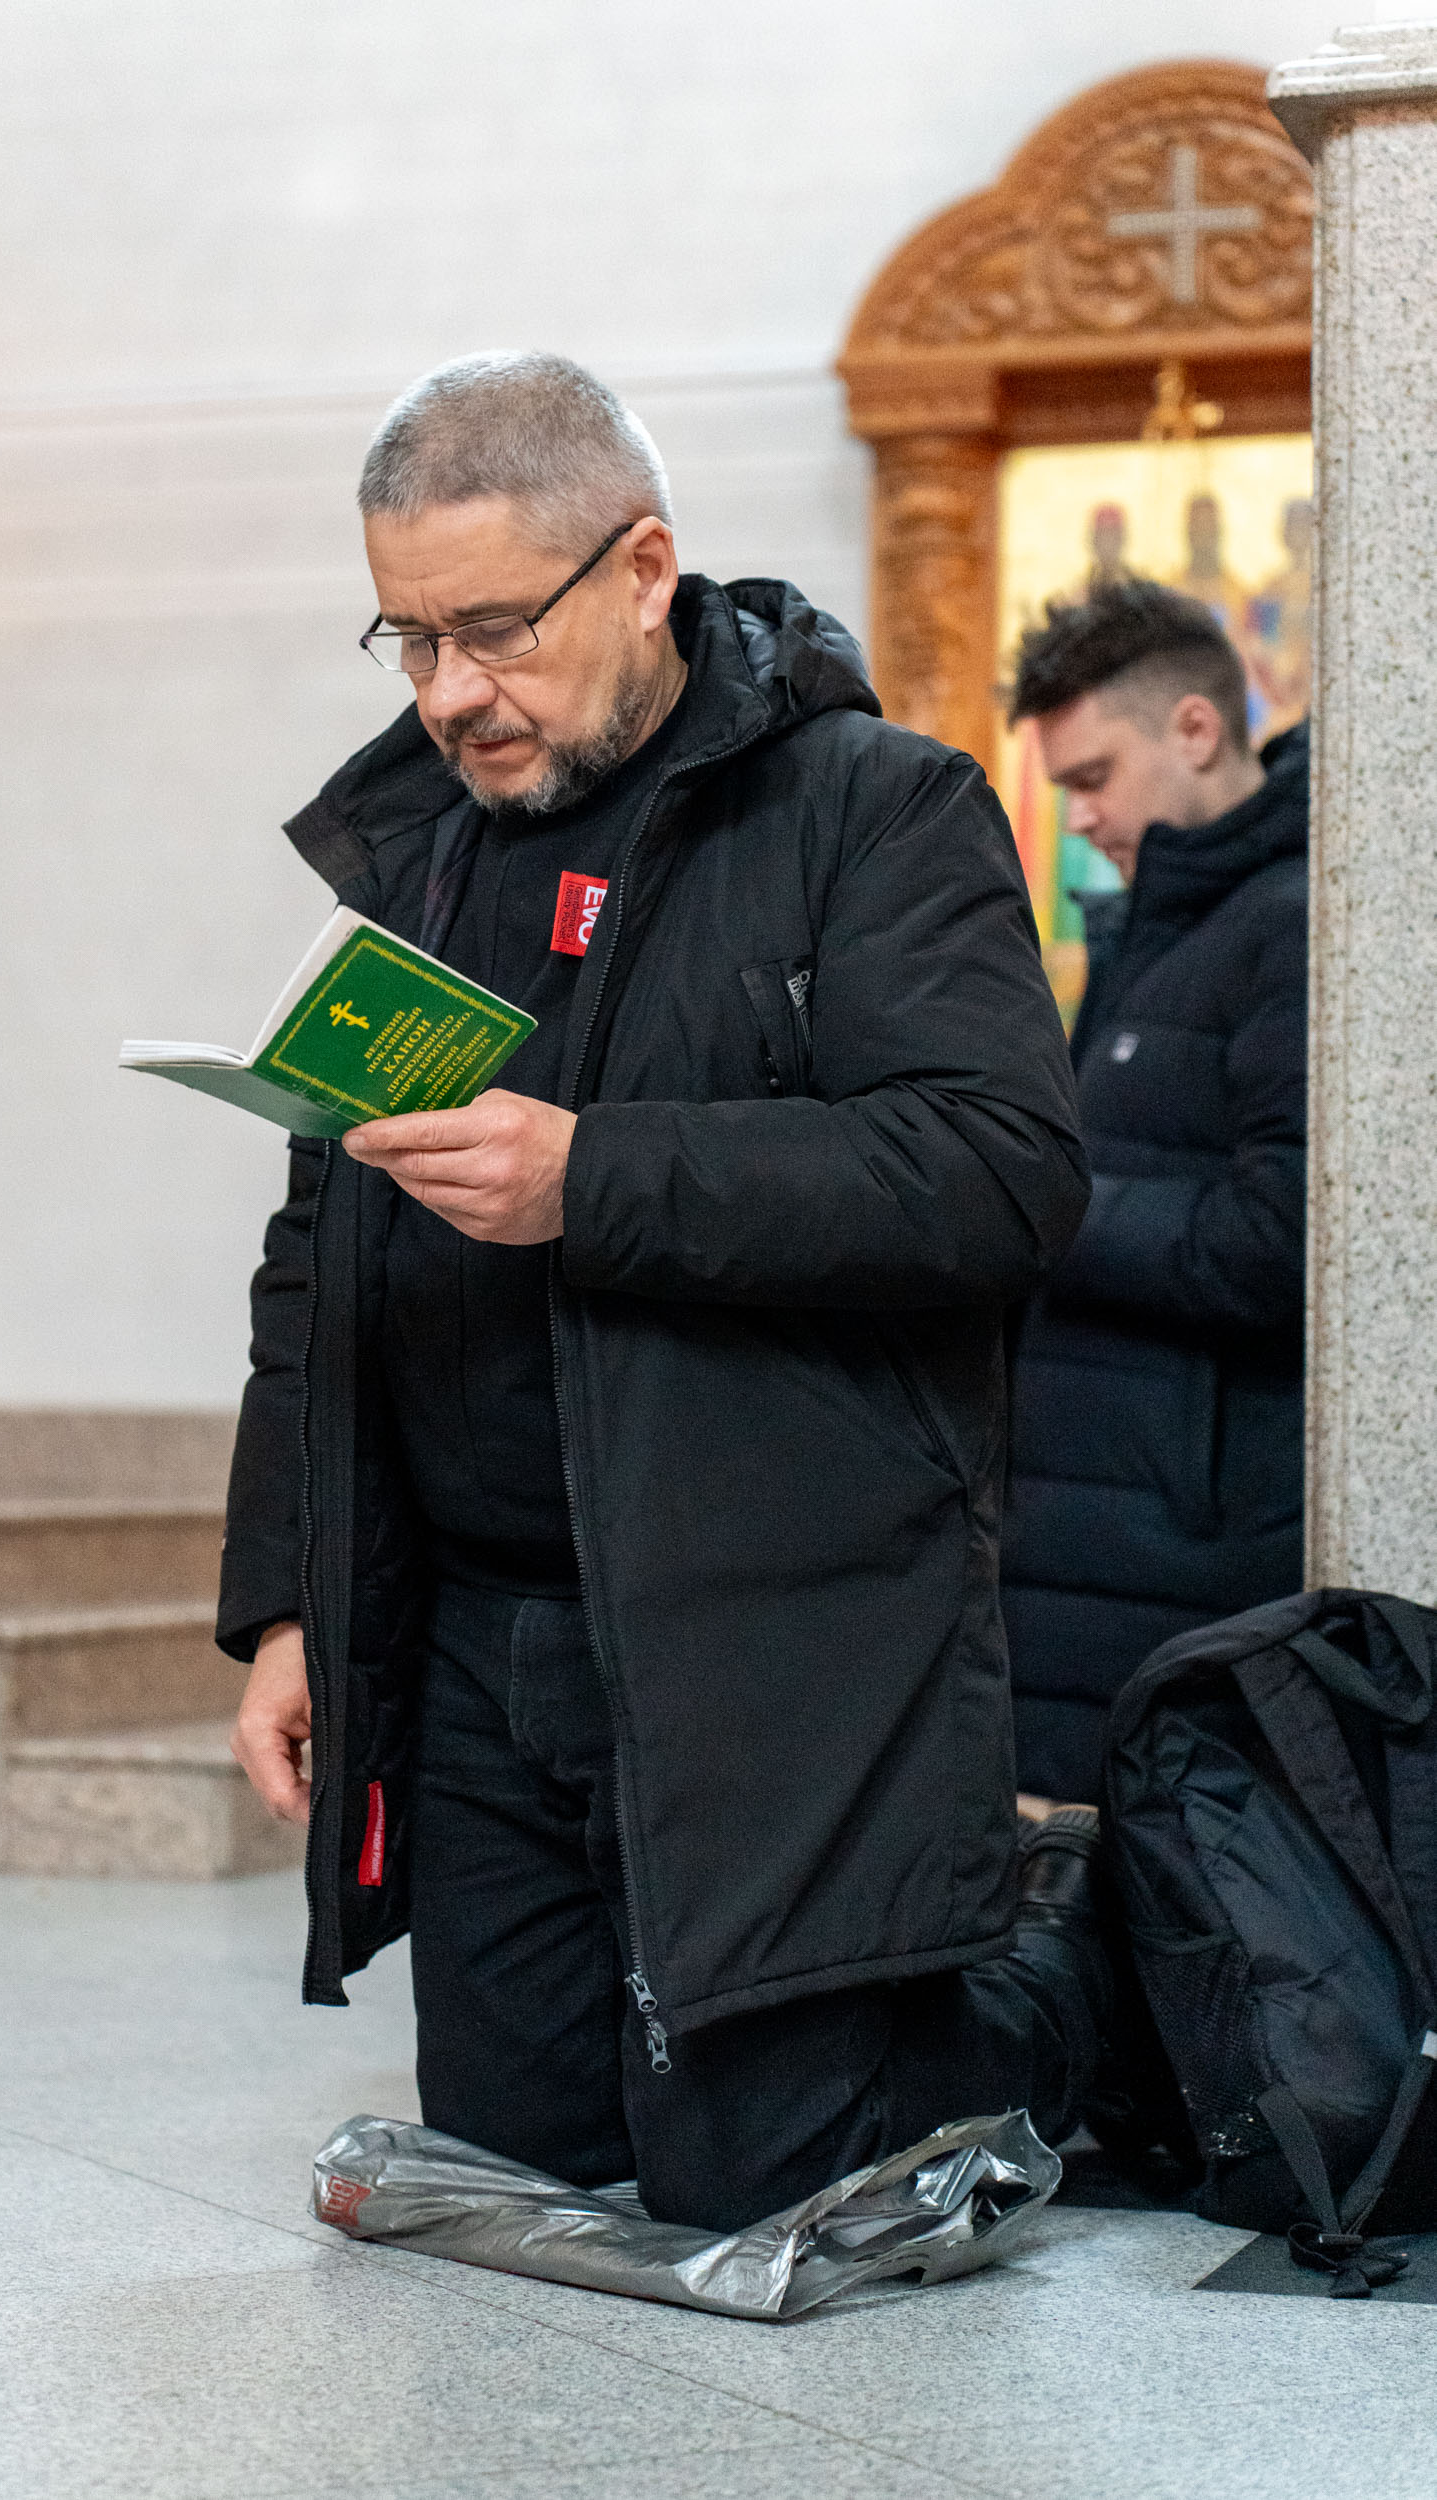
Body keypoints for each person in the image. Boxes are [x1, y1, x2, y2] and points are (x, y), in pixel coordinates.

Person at [219, 350, 1116, 2232]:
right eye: (407, 639)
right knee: (523, 2178)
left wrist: (591, 1178)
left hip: (763, 1636)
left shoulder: (874, 811)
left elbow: (997, 1172)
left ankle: (1041, 1977)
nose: (449, 694)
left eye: (493, 631)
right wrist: (292, 1604)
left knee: (763, 2190)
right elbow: (322, 1254)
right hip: (481, 1645)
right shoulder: (421, 855)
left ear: (641, 570)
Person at [1002, 579, 1307, 1805]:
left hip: (1182, 1555)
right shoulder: (1158, 932)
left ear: (1192, 726)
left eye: (1092, 778)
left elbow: (1284, 1240)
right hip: (1093, 1545)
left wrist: (1032, 1202)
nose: (1079, 818)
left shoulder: (1292, 924)